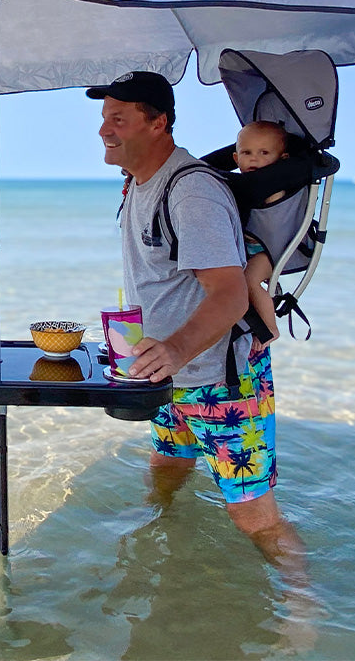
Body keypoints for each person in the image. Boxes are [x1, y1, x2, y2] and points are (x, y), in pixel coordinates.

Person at [87, 72, 306, 579]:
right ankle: (165, 544)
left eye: (119, 119)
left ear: (158, 122)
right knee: (167, 466)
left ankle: (303, 609)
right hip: (169, 372)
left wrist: (175, 350)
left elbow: (229, 293)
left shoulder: (192, 194)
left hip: (218, 376)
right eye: (103, 119)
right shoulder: (140, 183)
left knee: (252, 513)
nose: (104, 130)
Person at [234, 120, 290, 346]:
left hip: (269, 249)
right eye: (247, 152)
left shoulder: (274, 186)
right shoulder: (245, 185)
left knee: (249, 280)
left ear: (282, 160)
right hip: (250, 248)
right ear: (236, 159)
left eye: (264, 152)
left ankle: (270, 328)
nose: (254, 158)